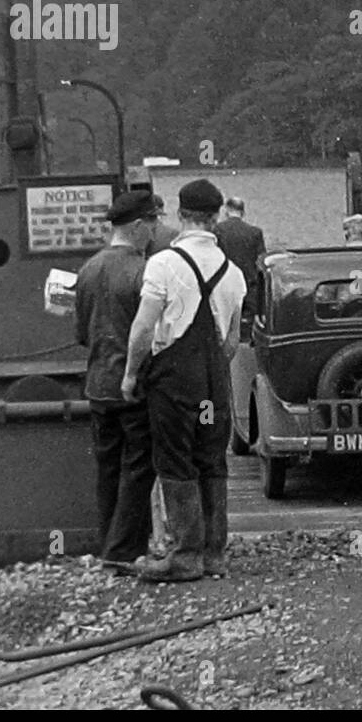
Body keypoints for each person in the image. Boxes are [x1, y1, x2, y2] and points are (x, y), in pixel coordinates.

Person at [122, 180, 246, 582]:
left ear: (180, 215)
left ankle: (185, 555)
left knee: (175, 460)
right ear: (215, 218)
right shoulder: (234, 273)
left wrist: (129, 374)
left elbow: (143, 329)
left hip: (175, 383)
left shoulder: (163, 264)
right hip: (214, 387)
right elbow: (230, 342)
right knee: (212, 461)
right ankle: (214, 556)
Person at [74, 190, 159, 573]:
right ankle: (124, 550)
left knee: (107, 467)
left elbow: (81, 334)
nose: (153, 233)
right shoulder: (142, 271)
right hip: (133, 383)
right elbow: (150, 332)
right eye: (151, 225)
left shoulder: (88, 269)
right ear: (138, 226)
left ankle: (108, 541)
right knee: (139, 465)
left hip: (97, 384)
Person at [215, 196, 266, 338]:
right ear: (243, 212)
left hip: (225, 285)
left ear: (226, 211)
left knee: (226, 325)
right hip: (249, 285)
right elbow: (261, 260)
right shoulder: (255, 232)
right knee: (250, 328)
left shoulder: (217, 231)